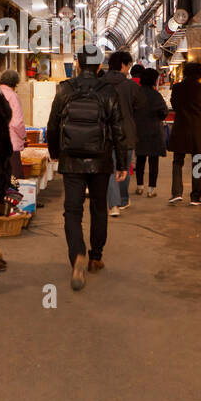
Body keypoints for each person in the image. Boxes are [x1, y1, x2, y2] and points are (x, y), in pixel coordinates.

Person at [47, 51, 128, 291]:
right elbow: (118, 129)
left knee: (72, 211)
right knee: (98, 207)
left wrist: (54, 152)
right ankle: (95, 257)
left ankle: (77, 255)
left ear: (77, 64)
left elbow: (53, 124)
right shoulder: (108, 91)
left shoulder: (65, 89)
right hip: (101, 159)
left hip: (71, 160)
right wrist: (122, 163)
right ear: (100, 65)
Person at [102, 50, 143, 216]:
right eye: (128, 66)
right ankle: (123, 200)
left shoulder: (100, 84)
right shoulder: (131, 86)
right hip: (126, 133)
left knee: (110, 169)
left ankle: (113, 205)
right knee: (124, 167)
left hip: (105, 133)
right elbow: (140, 106)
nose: (129, 69)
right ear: (123, 65)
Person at [168, 61, 201, 205]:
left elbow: (173, 104)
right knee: (199, 160)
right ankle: (195, 197)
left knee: (177, 161)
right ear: (200, 74)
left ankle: (176, 193)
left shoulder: (177, 87)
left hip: (180, 127)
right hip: (196, 129)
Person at [134, 67, 169, 197]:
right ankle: (151, 189)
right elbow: (164, 113)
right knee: (154, 161)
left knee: (140, 160)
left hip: (139, 131)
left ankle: (139, 186)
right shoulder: (156, 95)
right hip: (154, 131)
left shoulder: (136, 94)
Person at [0, 69, 25, 180]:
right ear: (14, 83)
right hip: (11, 143)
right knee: (15, 180)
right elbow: (17, 122)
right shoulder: (13, 96)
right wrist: (23, 135)